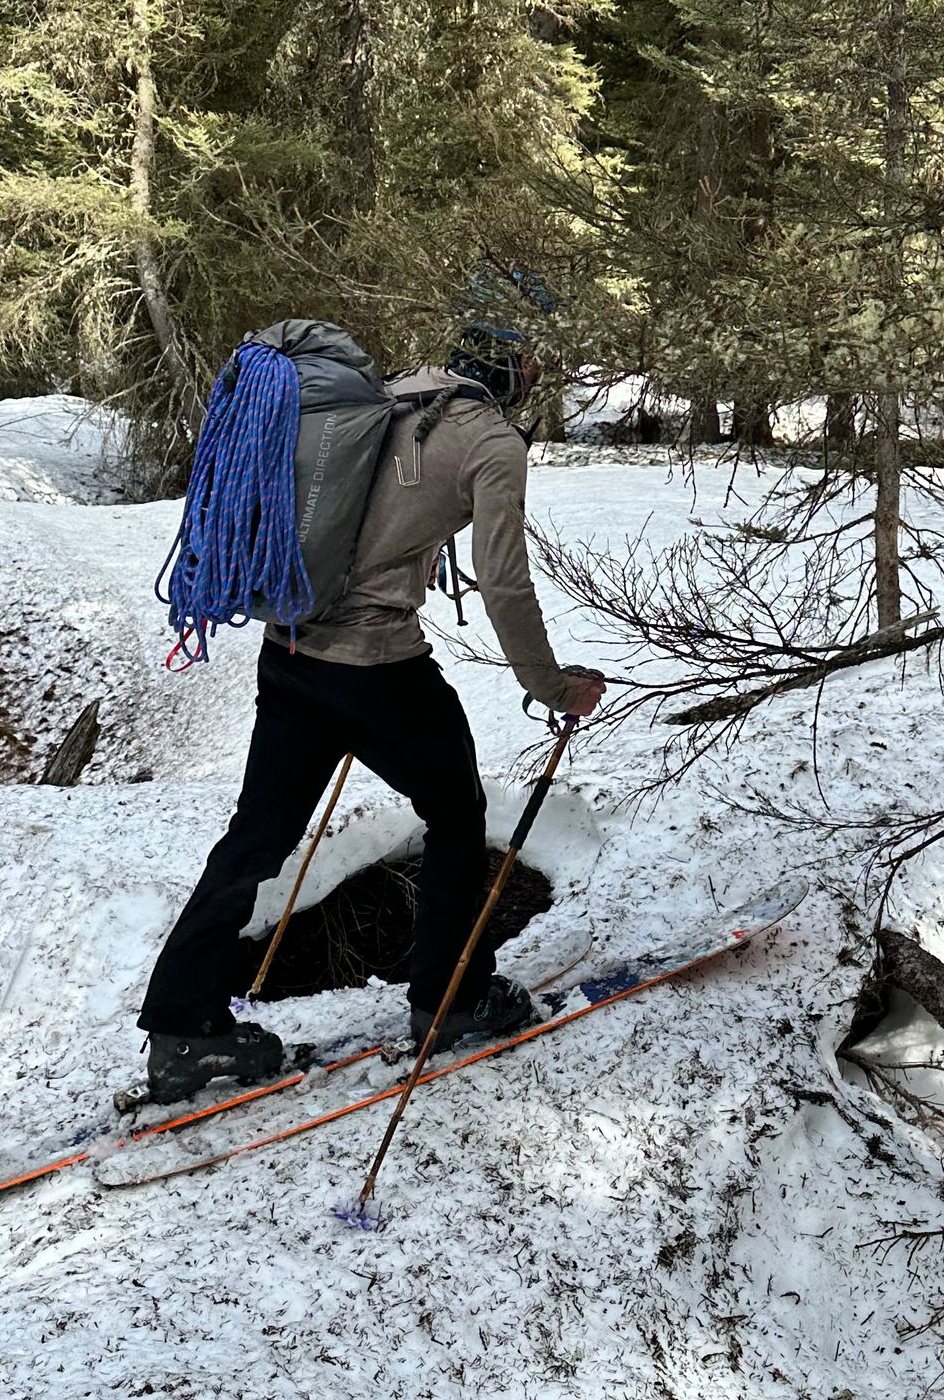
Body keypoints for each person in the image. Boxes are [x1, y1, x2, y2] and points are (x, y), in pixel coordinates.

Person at [136, 316, 605, 1104]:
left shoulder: (388, 396)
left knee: (256, 839)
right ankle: (449, 1001)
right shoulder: (493, 443)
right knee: (457, 811)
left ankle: (183, 1028)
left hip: (291, 653)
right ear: (513, 374)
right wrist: (555, 684)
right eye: (529, 363)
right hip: (376, 668)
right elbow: (504, 582)